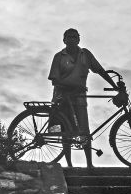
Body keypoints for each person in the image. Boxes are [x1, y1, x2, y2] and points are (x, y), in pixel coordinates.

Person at [48, 29, 122, 168]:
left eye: (74, 37)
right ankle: (69, 164)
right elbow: (55, 80)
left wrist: (114, 86)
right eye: (68, 37)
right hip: (62, 97)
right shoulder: (59, 57)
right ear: (64, 40)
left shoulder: (85, 54)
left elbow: (100, 70)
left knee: (84, 130)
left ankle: (89, 164)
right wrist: (69, 88)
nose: (71, 39)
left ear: (78, 40)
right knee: (66, 131)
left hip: (79, 97)